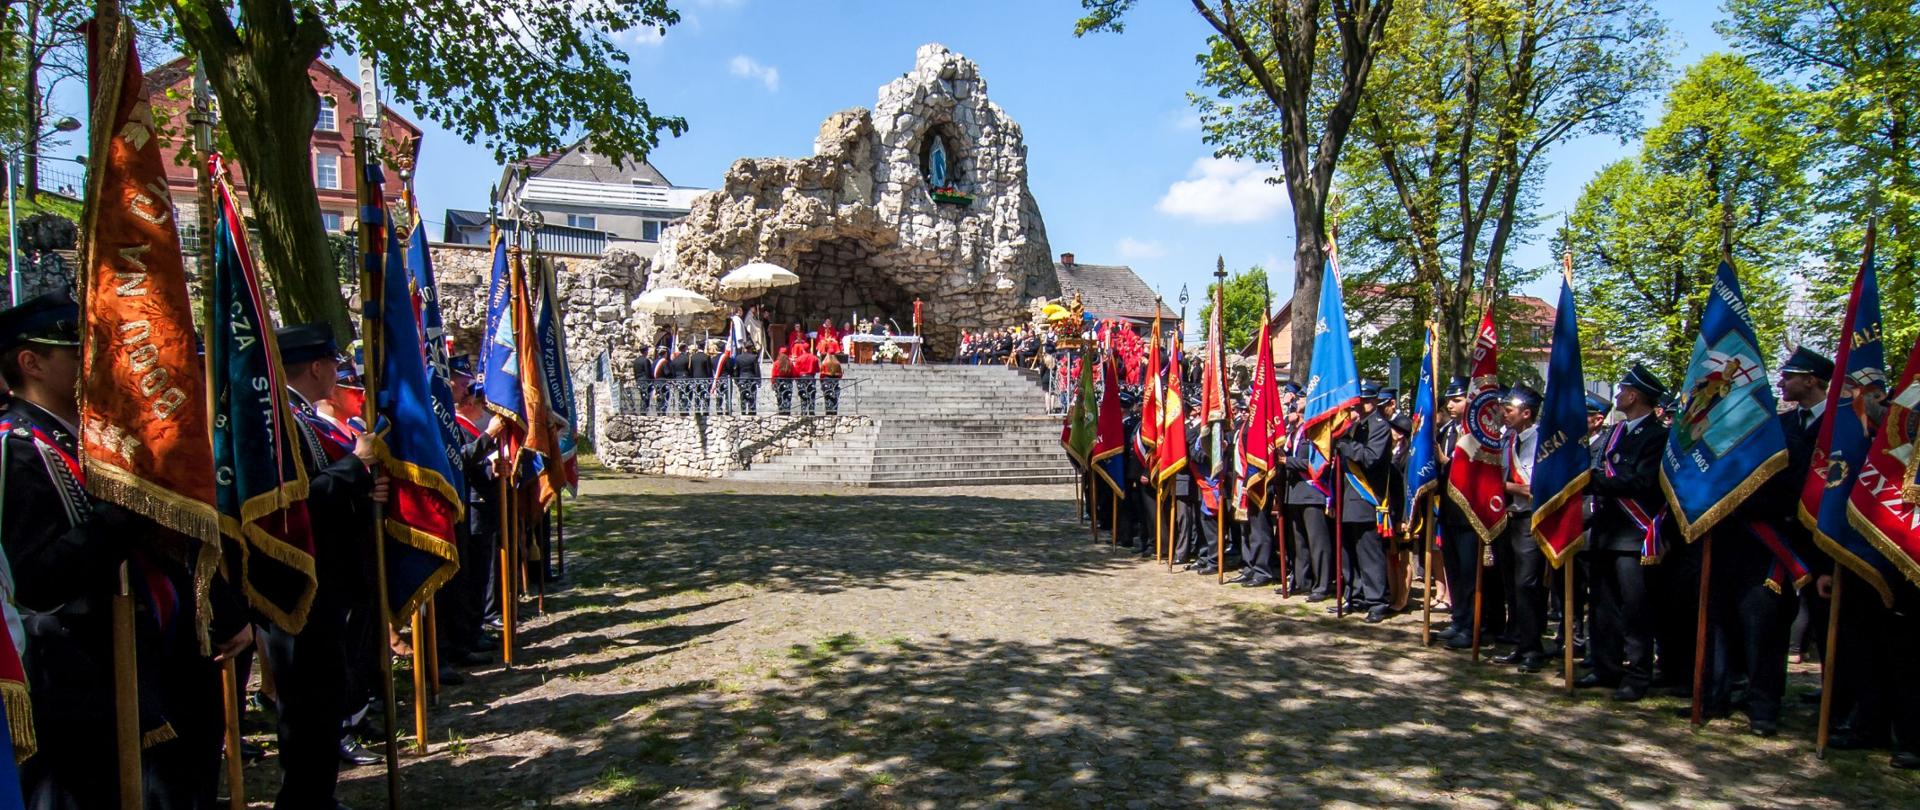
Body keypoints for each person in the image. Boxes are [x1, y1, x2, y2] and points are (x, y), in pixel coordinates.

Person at [2, 293, 248, 808]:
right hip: (79, 681)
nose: (98, 366)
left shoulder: (102, 446)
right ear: (31, 362)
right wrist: (122, 513)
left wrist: (220, 608)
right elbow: (36, 581)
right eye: (78, 354)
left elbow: (170, 545)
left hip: (156, 660)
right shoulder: (17, 450)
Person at [266, 323, 392, 805]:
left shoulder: (305, 420)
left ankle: (318, 795)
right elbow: (296, 502)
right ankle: (303, 800)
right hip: (299, 585)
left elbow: (329, 494)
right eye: (334, 365)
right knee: (307, 706)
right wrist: (355, 467)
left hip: (329, 578)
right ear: (317, 367)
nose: (339, 374)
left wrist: (365, 488)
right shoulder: (280, 422)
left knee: (324, 699)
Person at [1700, 346, 1831, 736]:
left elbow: (1801, 486)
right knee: (1727, 623)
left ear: (1812, 379)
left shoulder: (1834, 427)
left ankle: (1766, 707)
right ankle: (1720, 693)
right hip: (1741, 539)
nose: (1781, 382)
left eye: (1790, 376)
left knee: (1769, 631)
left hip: (1789, 541)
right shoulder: (1780, 424)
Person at [1577, 364, 1669, 702]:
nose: (1617, 395)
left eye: (1622, 390)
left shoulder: (1658, 436)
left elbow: (1642, 481)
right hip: (1605, 532)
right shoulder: (1616, 433)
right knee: (1602, 606)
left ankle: (1638, 674)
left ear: (1634, 395)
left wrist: (1591, 480)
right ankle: (1606, 666)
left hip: (1636, 535)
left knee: (1636, 609)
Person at [1493, 384, 1549, 673]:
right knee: (1512, 585)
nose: (1504, 414)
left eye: (1509, 410)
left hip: (1529, 519)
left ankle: (1532, 649)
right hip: (1509, 517)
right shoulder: (1509, 440)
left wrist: (1503, 486)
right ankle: (1519, 641)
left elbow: (1534, 487)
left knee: (1527, 585)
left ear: (1526, 413)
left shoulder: (1541, 441)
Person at [1336, 385, 1395, 623]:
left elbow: (1370, 458)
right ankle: (1356, 594)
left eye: (1366, 402)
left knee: (1369, 554)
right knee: (1350, 553)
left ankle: (1377, 602)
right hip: (1349, 498)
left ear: (1375, 402)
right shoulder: (1357, 427)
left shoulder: (1380, 427)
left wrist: (1345, 444)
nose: (1360, 406)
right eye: (1358, 402)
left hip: (1366, 498)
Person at [734, 341, 762, 415]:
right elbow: (756, 370)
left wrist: (736, 381)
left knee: (743, 396)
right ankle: (752, 412)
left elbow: (736, 370)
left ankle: (743, 412)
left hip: (742, 379)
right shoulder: (753, 357)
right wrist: (759, 381)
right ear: (750, 348)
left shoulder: (738, 358)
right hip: (751, 379)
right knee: (752, 396)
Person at [792, 347, 820, 416]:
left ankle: (803, 411)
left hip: (801, 378)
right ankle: (811, 411)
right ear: (809, 349)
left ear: (803, 350)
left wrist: (796, 379)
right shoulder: (814, 358)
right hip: (811, 377)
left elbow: (796, 371)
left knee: (803, 394)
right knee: (812, 394)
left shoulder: (799, 359)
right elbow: (817, 369)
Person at [772, 349, 797, 415]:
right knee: (788, 397)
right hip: (788, 382)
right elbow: (794, 374)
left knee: (779, 397)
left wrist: (773, 383)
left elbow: (773, 374)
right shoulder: (790, 363)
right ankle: (787, 412)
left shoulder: (776, 363)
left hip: (778, 382)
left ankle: (781, 411)